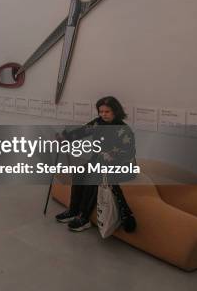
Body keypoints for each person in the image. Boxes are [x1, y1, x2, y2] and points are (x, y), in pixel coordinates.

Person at [54, 96, 136, 232]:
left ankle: (84, 217)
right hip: (98, 160)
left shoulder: (123, 129)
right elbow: (82, 131)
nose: (103, 114)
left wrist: (112, 155)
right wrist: (65, 138)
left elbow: (129, 151)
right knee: (80, 172)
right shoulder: (98, 123)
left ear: (115, 111)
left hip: (120, 165)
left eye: (107, 112)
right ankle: (73, 210)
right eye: (101, 111)